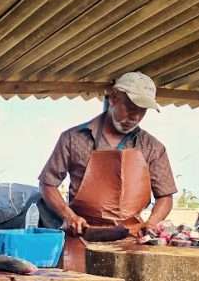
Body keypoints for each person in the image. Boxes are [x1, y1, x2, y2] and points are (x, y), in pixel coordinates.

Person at [38, 72, 177, 270]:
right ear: (113, 98)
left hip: (132, 238)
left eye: (142, 111)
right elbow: (47, 184)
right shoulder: (73, 138)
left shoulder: (153, 147)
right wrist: (69, 216)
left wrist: (152, 222)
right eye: (130, 107)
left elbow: (165, 196)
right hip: (82, 235)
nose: (135, 117)